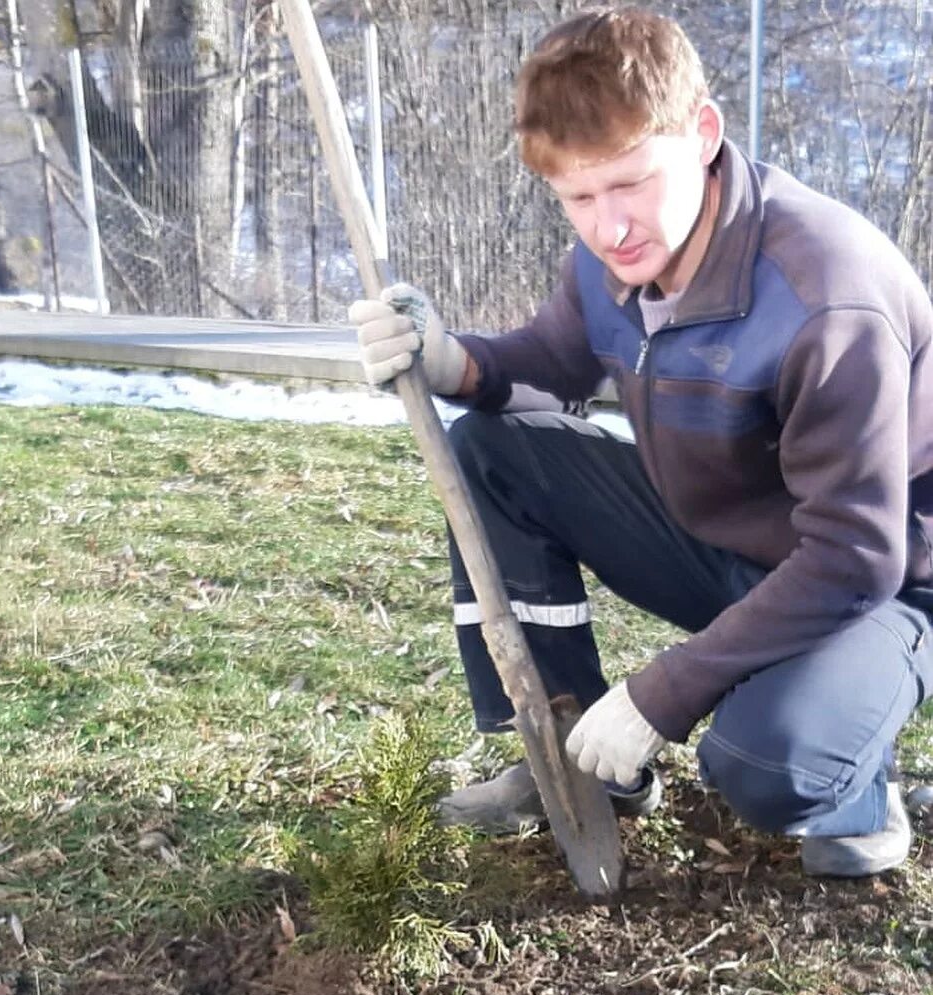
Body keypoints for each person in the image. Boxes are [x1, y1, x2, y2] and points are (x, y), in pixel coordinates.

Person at [348, 5, 933, 877]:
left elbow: (855, 555)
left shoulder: (824, 295)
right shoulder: (609, 260)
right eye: (576, 197)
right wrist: (447, 361)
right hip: (724, 546)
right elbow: (551, 361)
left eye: (627, 184)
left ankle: (856, 777)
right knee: (491, 451)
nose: (607, 225)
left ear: (701, 133)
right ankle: (572, 748)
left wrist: (661, 693)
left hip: (878, 587)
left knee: (763, 767)